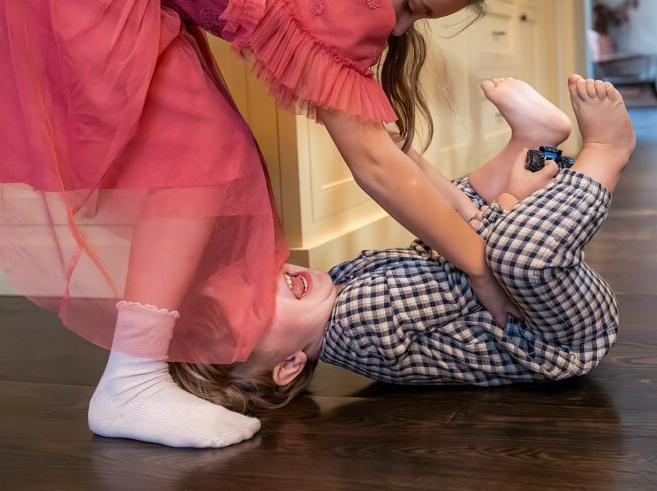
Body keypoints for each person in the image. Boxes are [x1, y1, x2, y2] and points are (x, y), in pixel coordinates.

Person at [0, 0, 506, 447]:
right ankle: (133, 381)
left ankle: (136, 375)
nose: (397, 26)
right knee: (201, 155)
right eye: (412, 6)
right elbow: (373, 162)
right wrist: (478, 265)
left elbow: (383, 146)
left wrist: (466, 213)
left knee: (203, 151)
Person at [170, 75, 633, 412]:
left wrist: (414, 166)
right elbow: (475, 273)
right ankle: (606, 152)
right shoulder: (357, 322)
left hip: (523, 304)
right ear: (289, 365)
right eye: (257, 307)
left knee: (446, 220)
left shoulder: (337, 290)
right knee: (514, 253)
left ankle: (533, 143)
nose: (268, 281)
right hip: (558, 335)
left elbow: (437, 250)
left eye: (249, 278)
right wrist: (512, 200)